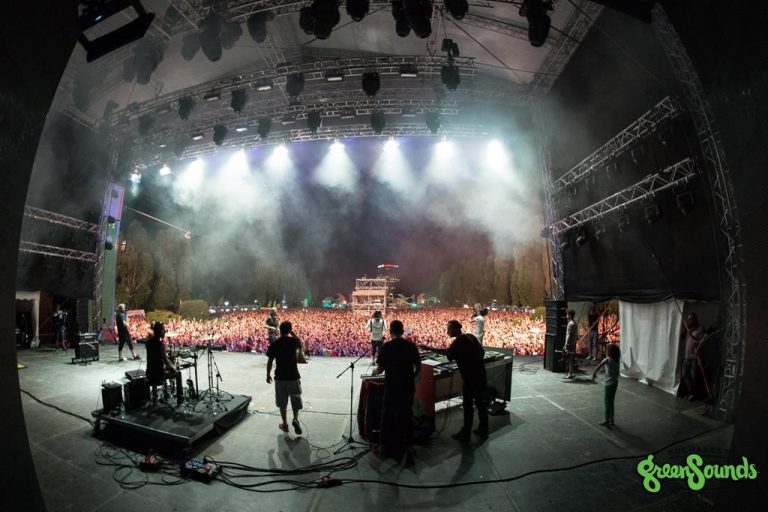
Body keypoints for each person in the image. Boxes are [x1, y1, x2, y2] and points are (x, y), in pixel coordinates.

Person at [421, 320, 489, 443]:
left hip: (470, 378)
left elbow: (448, 353)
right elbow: (482, 353)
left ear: (456, 328)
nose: (447, 332)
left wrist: (428, 348)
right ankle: (484, 429)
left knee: (468, 406)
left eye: (449, 329)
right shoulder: (471, 337)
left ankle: (466, 433)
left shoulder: (458, 342)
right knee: (481, 403)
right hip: (481, 375)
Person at [372, 320, 420, 463]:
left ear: (390, 331)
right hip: (407, 387)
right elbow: (418, 367)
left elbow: (380, 368)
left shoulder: (387, 346)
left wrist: (374, 372)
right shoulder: (411, 346)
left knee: (387, 415)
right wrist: (412, 378)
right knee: (407, 416)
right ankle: (409, 447)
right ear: (403, 330)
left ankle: (382, 446)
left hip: (392, 387)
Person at [266, 321, 303, 435]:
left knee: (282, 402)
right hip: (293, 376)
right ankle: (295, 419)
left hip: (280, 377)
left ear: (280, 330)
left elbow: (270, 360)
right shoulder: (293, 341)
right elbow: (301, 343)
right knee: (295, 398)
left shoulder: (275, 343)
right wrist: (292, 332)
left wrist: (268, 374)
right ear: (289, 330)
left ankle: (285, 424)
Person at [145, 322, 183, 407]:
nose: (165, 331)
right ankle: (180, 400)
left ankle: (155, 398)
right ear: (160, 331)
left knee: (159, 370)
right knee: (178, 373)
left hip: (149, 373)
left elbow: (154, 358)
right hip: (158, 374)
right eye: (163, 330)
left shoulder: (148, 342)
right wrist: (174, 367)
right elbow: (166, 362)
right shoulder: (161, 344)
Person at [592, 343, 621, 427]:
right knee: (611, 402)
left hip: (608, 384)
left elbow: (598, 366)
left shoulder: (607, 359)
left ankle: (606, 420)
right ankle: (611, 419)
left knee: (607, 402)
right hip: (615, 383)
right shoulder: (617, 360)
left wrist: (594, 374)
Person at [681, 312, 705, 400]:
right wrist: (685, 329)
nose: (689, 321)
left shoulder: (700, 328)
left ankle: (694, 394)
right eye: (688, 319)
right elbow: (682, 338)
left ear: (695, 319)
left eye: (691, 319)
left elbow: (701, 341)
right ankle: (690, 392)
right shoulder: (688, 327)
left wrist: (691, 334)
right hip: (687, 356)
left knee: (693, 376)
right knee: (685, 375)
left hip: (695, 357)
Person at [564, 309, 577, 379]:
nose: (566, 316)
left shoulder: (570, 324)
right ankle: (572, 373)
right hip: (573, 343)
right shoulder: (574, 323)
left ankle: (570, 374)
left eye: (567, 314)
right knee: (572, 359)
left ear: (570, 315)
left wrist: (566, 344)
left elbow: (568, 335)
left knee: (569, 359)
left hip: (570, 344)